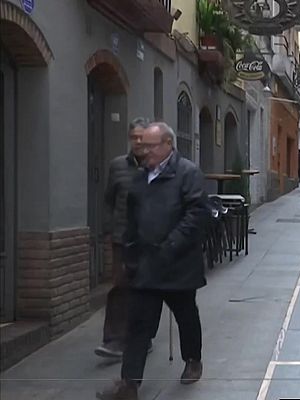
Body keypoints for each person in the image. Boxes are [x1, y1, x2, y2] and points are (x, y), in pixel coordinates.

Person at [97, 122, 210, 400]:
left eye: (150, 145)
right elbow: (131, 217)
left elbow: (197, 215)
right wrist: (131, 251)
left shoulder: (188, 174)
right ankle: (129, 383)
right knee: (138, 324)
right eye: (142, 145)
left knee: (186, 316)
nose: (143, 150)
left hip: (178, 265)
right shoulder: (140, 176)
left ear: (168, 145)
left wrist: (170, 246)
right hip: (145, 264)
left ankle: (193, 360)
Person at [95, 118, 150, 359]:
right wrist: (108, 229)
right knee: (120, 286)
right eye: (134, 137)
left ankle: (142, 336)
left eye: (142, 137)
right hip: (121, 238)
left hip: (148, 239)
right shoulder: (117, 166)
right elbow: (108, 199)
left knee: (145, 289)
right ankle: (114, 340)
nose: (138, 142)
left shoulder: (156, 165)